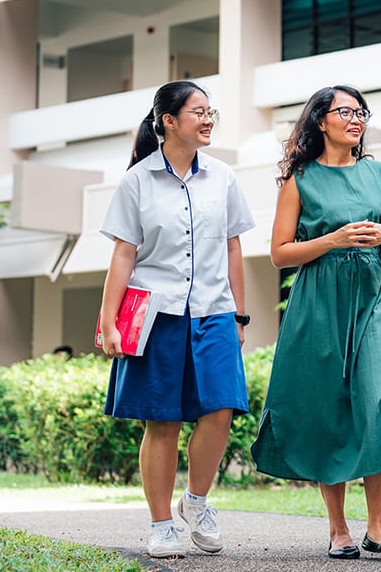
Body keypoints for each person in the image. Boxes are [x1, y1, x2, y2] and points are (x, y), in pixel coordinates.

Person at [98, 80, 255, 559]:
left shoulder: (223, 177)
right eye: (198, 112)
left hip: (214, 311)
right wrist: (109, 321)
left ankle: (197, 501)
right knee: (162, 423)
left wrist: (240, 315)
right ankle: (162, 523)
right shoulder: (138, 181)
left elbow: (233, 247)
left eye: (212, 113)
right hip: (158, 314)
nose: (208, 120)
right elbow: (124, 255)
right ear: (168, 121)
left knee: (221, 409)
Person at [249, 85, 381, 560]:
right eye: (346, 111)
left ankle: (377, 527)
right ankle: (339, 529)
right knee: (328, 406)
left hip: (374, 293)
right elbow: (279, 253)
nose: (356, 119)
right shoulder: (299, 178)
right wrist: (333, 239)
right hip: (319, 299)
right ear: (321, 121)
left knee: (376, 402)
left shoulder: (379, 172)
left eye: (361, 112)